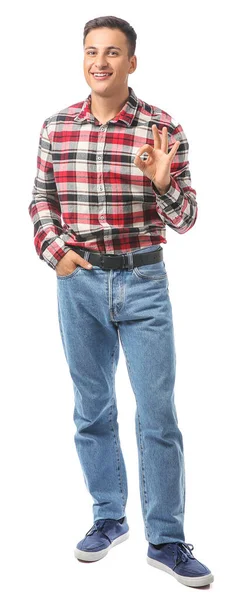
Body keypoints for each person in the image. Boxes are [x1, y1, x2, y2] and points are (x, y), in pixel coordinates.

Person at [28, 15, 214, 588]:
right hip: (78, 284)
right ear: (82, 59)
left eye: (112, 53)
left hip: (144, 283)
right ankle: (108, 517)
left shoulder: (162, 129)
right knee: (92, 406)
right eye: (91, 52)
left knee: (157, 414)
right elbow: (41, 202)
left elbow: (185, 220)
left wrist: (162, 181)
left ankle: (167, 538)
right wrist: (55, 251)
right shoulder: (57, 127)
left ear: (132, 62)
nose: (100, 62)